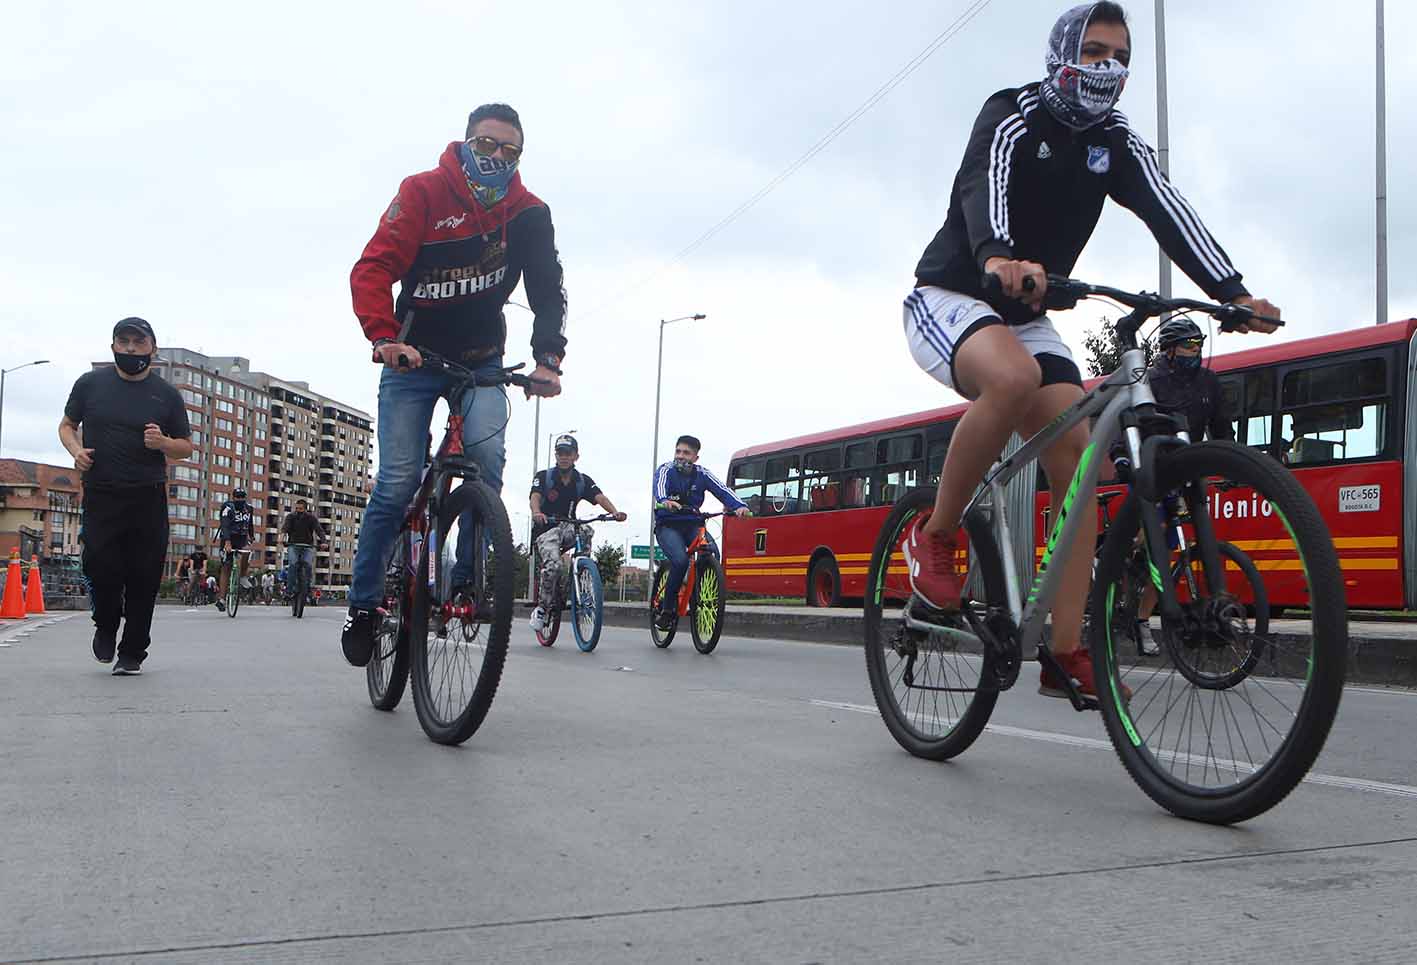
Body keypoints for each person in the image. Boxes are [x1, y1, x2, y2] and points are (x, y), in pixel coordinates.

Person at [899, 2, 1279, 700]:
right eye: (1095, 51)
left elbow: (1168, 207)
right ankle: (936, 533)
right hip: (953, 295)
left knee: (1076, 462)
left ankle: (1064, 648)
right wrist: (999, 256)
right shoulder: (1012, 113)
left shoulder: (1115, 140)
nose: (1108, 68)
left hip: (1028, 311)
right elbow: (980, 187)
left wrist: (1233, 292)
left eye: (1119, 57)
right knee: (1010, 380)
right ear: (1061, 53)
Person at [342, 102, 566, 667]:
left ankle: (467, 582)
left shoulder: (529, 213)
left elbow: (547, 289)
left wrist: (548, 359)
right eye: (487, 145)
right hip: (413, 359)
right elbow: (373, 269)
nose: (497, 157)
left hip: (482, 360)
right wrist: (384, 336)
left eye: (510, 151)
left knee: (487, 463)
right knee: (396, 483)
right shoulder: (422, 192)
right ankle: (365, 606)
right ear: (467, 142)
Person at [58, 317, 193, 674]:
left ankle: (132, 652)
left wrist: (163, 443)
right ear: (114, 346)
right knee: (100, 567)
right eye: (124, 341)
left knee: (144, 576)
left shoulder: (166, 395)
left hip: (147, 496)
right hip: (102, 493)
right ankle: (105, 623)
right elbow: (67, 426)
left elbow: (186, 447)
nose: (131, 348)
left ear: (153, 348)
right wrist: (76, 451)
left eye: (138, 342)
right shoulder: (90, 385)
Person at [1130, 316, 1235, 653]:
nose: (1196, 351)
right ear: (1170, 350)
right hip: (1154, 469)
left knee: (1173, 548)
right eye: (1190, 345)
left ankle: (1146, 617)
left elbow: (1221, 427)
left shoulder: (1208, 382)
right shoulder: (1152, 380)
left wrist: (1231, 463)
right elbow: (1131, 423)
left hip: (1189, 471)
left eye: (1199, 344)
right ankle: (1130, 602)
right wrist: (1124, 459)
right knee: (1151, 545)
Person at [528, 434, 627, 632]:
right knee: (554, 566)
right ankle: (542, 608)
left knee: (587, 530)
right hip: (546, 528)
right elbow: (535, 497)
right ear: (556, 455)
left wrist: (614, 512)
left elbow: (600, 497)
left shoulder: (582, 481)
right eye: (560, 453)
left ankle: (582, 568)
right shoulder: (544, 477)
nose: (564, 457)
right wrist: (537, 512)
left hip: (568, 526)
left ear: (576, 456)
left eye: (568, 453)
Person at [651, 435, 751, 630]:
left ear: (696, 458)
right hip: (668, 525)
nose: (680, 456)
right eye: (678, 451)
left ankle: (698, 594)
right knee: (680, 561)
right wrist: (665, 501)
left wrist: (739, 507)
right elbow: (659, 487)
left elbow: (723, 490)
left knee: (712, 552)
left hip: (692, 524)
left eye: (686, 453)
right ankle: (667, 610)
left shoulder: (702, 474)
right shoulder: (666, 470)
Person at [214, 487, 255, 612]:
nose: (240, 499)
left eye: (242, 497)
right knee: (226, 566)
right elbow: (225, 525)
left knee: (247, 552)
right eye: (238, 497)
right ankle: (221, 599)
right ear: (233, 498)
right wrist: (227, 542)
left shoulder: (248, 509)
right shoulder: (227, 508)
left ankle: (243, 576)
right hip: (228, 538)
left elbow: (250, 524)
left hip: (241, 538)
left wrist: (251, 535)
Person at [281, 498, 328, 601]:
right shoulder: (291, 517)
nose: (298, 511)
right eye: (297, 508)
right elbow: (285, 528)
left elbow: (319, 530)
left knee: (308, 565)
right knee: (293, 565)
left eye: (301, 509)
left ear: (305, 509)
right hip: (293, 545)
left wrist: (324, 541)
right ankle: (289, 591)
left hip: (307, 546)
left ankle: (307, 589)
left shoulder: (311, 518)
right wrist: (281, 538)